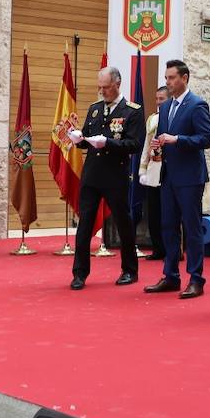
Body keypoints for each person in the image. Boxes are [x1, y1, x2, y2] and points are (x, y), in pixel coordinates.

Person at [68, 67, 145, 289]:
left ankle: (130, 270)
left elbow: (134, 144)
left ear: (117, 84)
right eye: (99, 87)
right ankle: (79, 273)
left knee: (123, 222)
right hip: (92, 174)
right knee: (85, 224)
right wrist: (77, 138)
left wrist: (108, 143)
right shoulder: (94, 109)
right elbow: (86, 139)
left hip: (115, 174)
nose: (102, 92)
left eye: (106, 87)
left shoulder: (132, 111)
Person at [145, 59, 210, 299]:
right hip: (169, 175)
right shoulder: (164, 108)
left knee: (192, 228)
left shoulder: (197, 105)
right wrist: (158, 145)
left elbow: (207, 139)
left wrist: (178, 139)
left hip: (190, 178)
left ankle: (196, 279)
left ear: (184, 78)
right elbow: (165, 138)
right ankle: (171, 276)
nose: (168, 82)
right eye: (166, 78)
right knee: (168, 227)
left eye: (172, 77)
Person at [138, 85, 170, 263]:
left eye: (162, 99)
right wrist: (142, 169)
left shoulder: (175, 117)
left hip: (169, 170)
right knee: (154, 212)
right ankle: (157, 248)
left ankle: (173, 249)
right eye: (157, 99)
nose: (158, 102)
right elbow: (146, 145)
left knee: (169, 213)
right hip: (153, 169)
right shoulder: (153, 119)